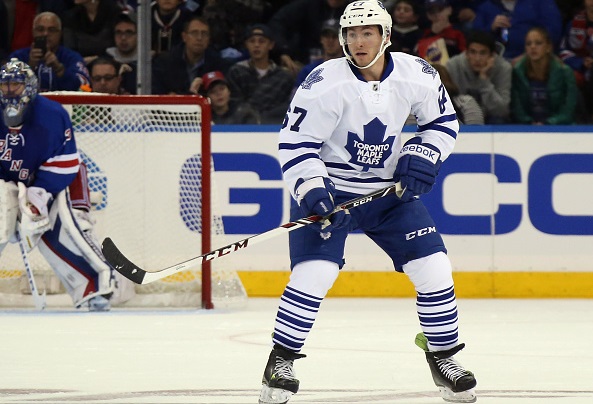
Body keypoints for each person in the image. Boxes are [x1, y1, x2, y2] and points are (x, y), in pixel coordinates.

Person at [258, 2, 477, 404]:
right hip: (331, 194)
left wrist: (423, 153)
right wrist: (313, 190)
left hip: (389, 195)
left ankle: (443, 357)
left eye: (367, 33)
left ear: (386, 36)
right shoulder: (323, 82)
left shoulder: (417, 74)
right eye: (351, 34)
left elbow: (442, 123)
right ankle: (280, 362)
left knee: (434, 268)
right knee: (315, 273)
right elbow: (296, 143)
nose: (358, 41)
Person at [0, 58, 115, 311]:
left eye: (16, 85)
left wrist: (37, 196)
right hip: (7, 179)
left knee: (66, 227)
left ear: (30, 87)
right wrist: (9, 202)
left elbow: (66, 163)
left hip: (52, 181)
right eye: (4, 86)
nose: (9, 92)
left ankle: (95, 287)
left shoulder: (52, 115)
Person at [226, 24, 293, 124]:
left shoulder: (283, 77)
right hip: (242, 127)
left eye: (261, 41)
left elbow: (286, 108)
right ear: (246, 44)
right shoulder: (237, 72)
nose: (256, 45)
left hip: (274, 127)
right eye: (252, 41)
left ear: (271, 45)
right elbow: (234, 105)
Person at [10, 12, 91, 92]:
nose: (45, 34)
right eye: (40, 29)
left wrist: (59, 69)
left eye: (52, 30)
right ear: (33, 32)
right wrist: (29, 67)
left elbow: (84, 86)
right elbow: (8, 86)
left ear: (60, 33)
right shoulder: (18, 57)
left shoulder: (72, 57)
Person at [511, 27, 577, 125]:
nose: (533, 47)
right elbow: (517, 109)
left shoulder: (565, 72)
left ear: (548, 47)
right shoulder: (517, 72)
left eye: (538, 43)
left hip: (558, 127)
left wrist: (548, 123)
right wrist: (529, 122)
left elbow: (568, 111)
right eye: (528, 44)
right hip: (526, 127)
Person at [446, 30, 511, 123]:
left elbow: (501, 110)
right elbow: (449, 106)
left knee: (498, 120)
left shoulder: (503, 68)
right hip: (462, 117)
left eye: (482, 53)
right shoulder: (453, 65)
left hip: (491, 118)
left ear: (492, 55)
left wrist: (484, 80)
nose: (477, 58)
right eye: (473, 52)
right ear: (466, 53)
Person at [152, 16, 227, 95]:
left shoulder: (218, 64)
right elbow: (157, 93)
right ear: (184, 37)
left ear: (209, 39)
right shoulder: (164, 62)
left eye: (204, 34)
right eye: (194, 33)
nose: (199, 38)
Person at [472, 0, 563, 61]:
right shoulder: (486, 7)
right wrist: (491, 28)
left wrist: (528, 55)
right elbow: (474, 38)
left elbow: (553, 32)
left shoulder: (541, 2)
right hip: (496, 62)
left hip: (533, 59)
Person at [559, 0, 593, 121]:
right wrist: (581, 62)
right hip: (581, 70)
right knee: (568, 77)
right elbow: (563, 52)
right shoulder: (574, 23)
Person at [62, 0, 122, 66]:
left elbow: (121, 47)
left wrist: (98, 58)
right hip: (81, 66)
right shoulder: (71, 16)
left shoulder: (115, 13)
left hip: (111, 64)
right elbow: (69, 51)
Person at [293, 18, 343, 90]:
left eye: (335, 36)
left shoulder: (351, 68)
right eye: (326, 36)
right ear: (321, 39)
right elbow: (295, 96)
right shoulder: (309, 70)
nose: (330, 41)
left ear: (342, 40)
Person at [416, 0, 466, 64]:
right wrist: (433, 34)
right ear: (428, 15)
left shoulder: (459, 32)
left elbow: (464, 56)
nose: (436, 15)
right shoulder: (423, 34)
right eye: (432, 12)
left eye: (440, 10)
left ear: (449, 10)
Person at [105, 13, 139, 94]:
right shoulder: (106, 60)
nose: (123, 38)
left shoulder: (150, 62)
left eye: (129, 33)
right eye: (119, 33)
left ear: (138, 35)